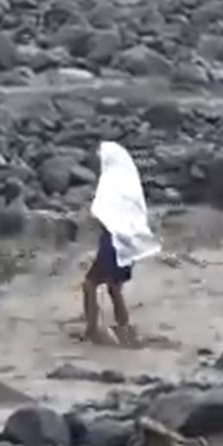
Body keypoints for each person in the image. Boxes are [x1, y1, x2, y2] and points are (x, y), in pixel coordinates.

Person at [82, 142, 161, 347]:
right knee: (114, 287)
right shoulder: (127, 182)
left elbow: (101, 212)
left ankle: (93, 331)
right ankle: (124, 329)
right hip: (130, 241)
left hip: (114, 240)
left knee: (90, 284)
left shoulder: (110, 181)